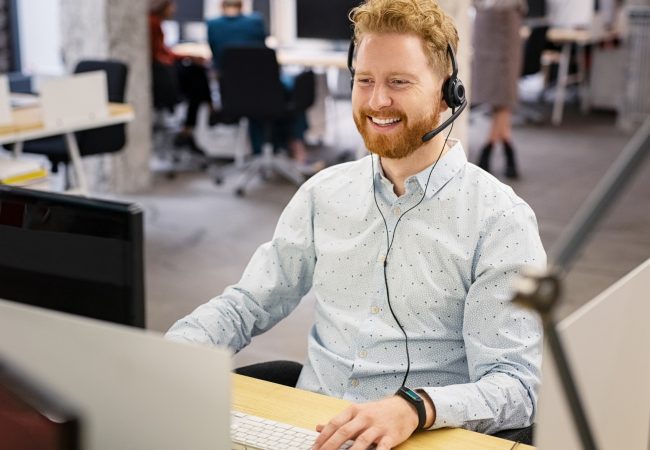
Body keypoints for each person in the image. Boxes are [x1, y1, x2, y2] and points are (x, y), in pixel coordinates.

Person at [167, 0, 545, 448]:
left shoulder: (497, 220)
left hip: (416, 438)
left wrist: (415, 407)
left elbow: (517, 387)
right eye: (364, 81)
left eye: (399, 82)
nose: (377, 100)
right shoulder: (322, 193)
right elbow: (250, 302)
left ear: (448, 93)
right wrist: (168, 355)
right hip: (309, 430)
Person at [206, 0, 318, 170]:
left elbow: (217, 61)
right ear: (242, 5)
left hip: (234, 96)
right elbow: (260, 54)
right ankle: (296, 146)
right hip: (265, 91)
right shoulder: (255, 21)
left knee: (262, 97)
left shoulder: (212, 25)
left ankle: (263, 149)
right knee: (290, 89)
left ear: (221, 5)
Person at [149, 0, 219, 155]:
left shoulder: (155, 23)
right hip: (163, 80)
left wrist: (187, 56)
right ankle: (209, 109)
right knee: (197, 76)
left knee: (197, 75)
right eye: (171, 6)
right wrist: (187, 56)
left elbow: (164, 53)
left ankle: (194, 123)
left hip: (165, 74)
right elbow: (160, 55)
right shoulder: (152, 23)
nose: (174, 9)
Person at [473, 0, 527, 179]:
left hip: (505, 23)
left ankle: (488, 147)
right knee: (494, 93)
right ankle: (507, 144)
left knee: (504, 95)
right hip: (484, 25)